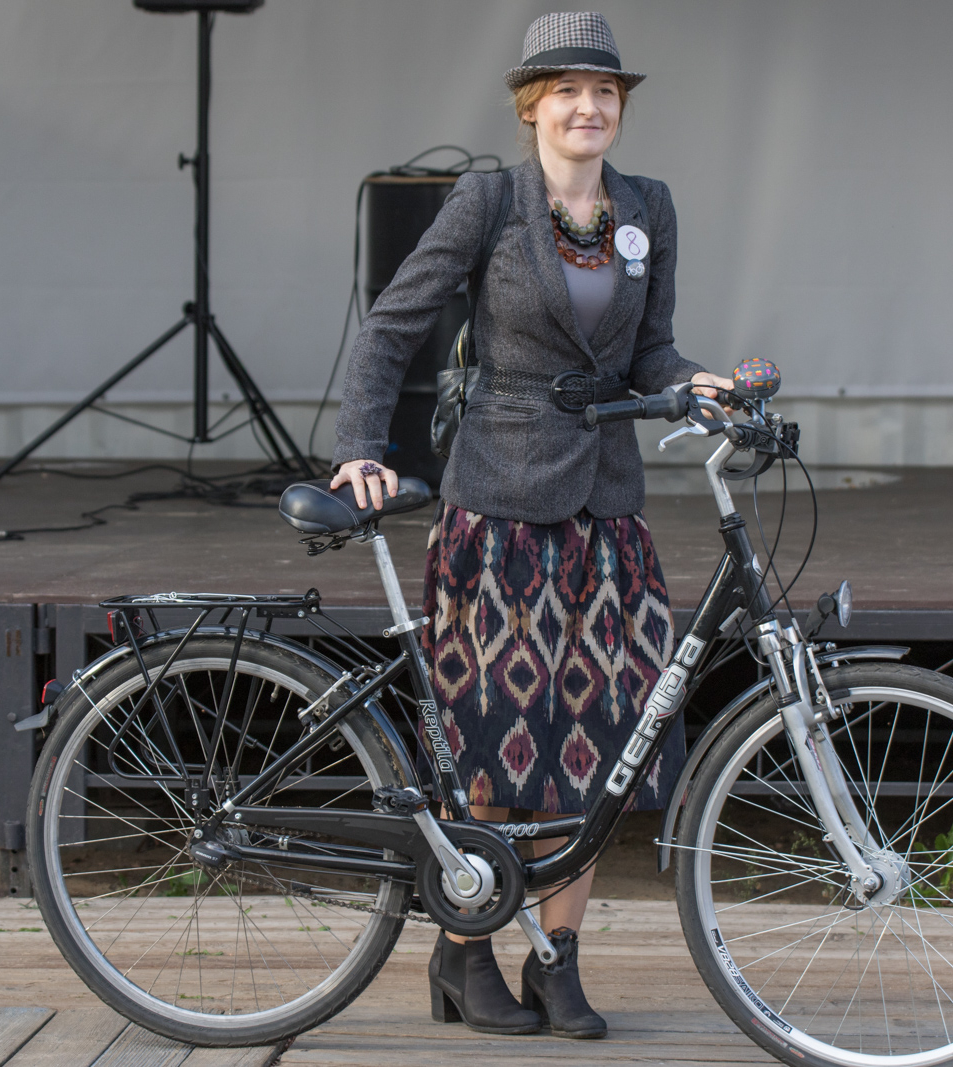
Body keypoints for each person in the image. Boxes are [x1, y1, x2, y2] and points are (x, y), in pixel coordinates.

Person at [331, 11, 733, 1041]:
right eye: (567, 92)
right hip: (498, 506)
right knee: (494, 749)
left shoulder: (648, 207)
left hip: (608, 511)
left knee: (597, 753)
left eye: (604, 93)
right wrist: (362, 447)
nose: (588, 107)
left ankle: (557, 960)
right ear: (531, 108)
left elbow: (652, 353)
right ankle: (466, 951)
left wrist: (698, 386)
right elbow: (393, 323)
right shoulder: (489, 201)